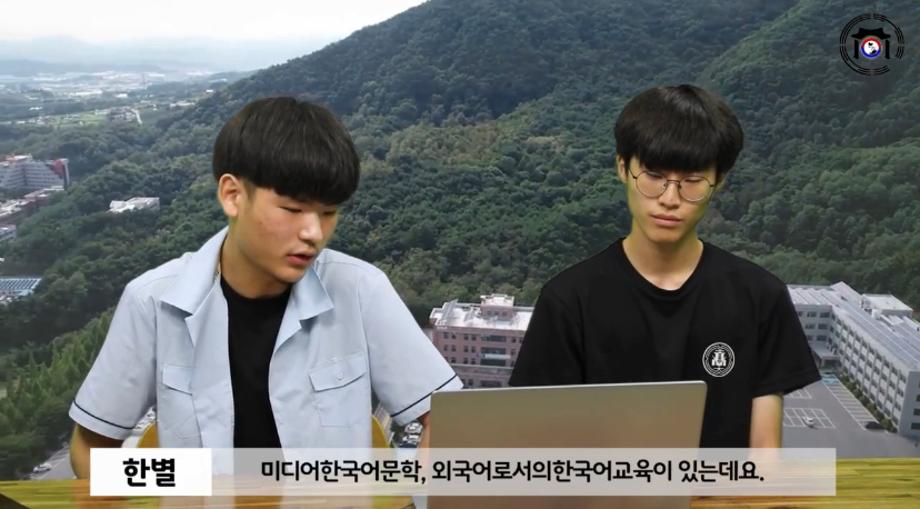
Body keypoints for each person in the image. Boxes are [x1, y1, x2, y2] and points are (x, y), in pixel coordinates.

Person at [68, 97, 460, 477]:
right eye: (293, 209)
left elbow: (448, 421)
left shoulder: (360, 289)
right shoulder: (153, 302)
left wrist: (408, 494)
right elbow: (89, 448)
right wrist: (182, 484)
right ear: (233, 195)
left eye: (328, 212)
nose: (314, 233)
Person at [509, 84, 820, 448]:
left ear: (718, 181)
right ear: (623, 168)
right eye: (654, 177)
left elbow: (765, 452)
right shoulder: (568, 301)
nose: (670, 199)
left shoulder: (761, 297)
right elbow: (542, 445)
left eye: (692, 181)